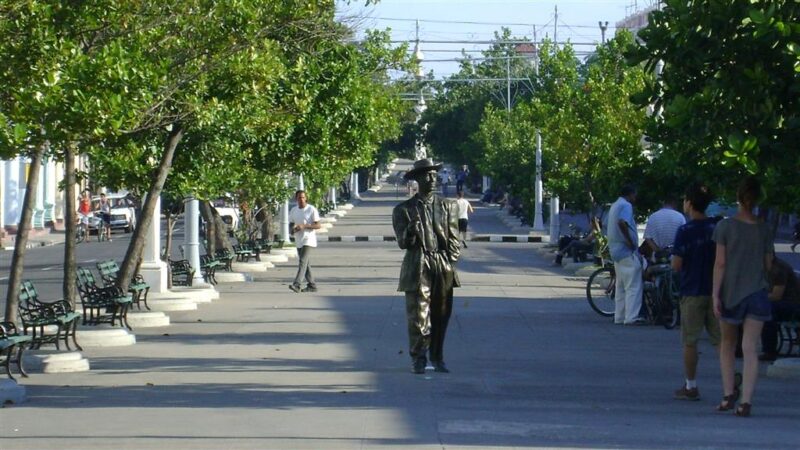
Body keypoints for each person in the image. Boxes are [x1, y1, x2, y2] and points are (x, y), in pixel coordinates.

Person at [392, 158, 461, 374]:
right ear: (417, 180)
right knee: (419, 315)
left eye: (434, 175)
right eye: (427, 176)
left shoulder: (448, 205)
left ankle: (437, 356)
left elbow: (453, 238)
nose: (432, 179)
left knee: (441, 314)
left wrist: (450, 261)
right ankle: (419, 357)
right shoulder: (403, 210)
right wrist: (410, 231)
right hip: (418, 263)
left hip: (442, 263)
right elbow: (403, 243)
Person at [712, 176, 773, 417]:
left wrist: (715, 294)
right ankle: (746, 401)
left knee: (727, 344)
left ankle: (728, 394)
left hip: (731, 293)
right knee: (750, 348)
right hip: (757, 292)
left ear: (738, 197)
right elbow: (769, 263)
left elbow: (720, 263)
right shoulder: (764, 229)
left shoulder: (725, 227)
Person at [671, 182, 721, 401]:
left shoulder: (685, 231)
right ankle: (731, 377)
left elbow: (677, 264)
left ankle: (691, 386)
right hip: (716, 290)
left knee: (690, 340)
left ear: (689, 204)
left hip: (692, 289)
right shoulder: (716, 228)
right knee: (721, 340)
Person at [607, 184, 645, 325]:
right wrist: (629, 241)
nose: (635, 198)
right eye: (634, 195)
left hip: (615, 251)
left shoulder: (614, 205)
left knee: (621, 286)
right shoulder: (626, 206)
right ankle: (631, 317)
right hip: (626, 250)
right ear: (630, 194)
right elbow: (622, 222)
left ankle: (619, 316)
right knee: (633, 286)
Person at [758, 256, 800, 361]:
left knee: (767, 310)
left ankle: (769, 350)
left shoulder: (778, 269)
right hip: (785, 303)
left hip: (793, 304)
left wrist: (758, 297)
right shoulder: (765, 267)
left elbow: (777, 295)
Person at [288, 190, 321, 293]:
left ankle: (297, 284)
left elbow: (318, 225)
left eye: (303, 197)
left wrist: (305, 226)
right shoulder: (294, 210)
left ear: (306, 198)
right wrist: (292, 230)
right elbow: (291, 223)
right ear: (296, 199)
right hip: (299, 240)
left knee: (302, 261)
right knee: (305, 264)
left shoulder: (311, 209)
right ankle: (312, 285)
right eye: (299, 198)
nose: (301, 200)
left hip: (308, 240)